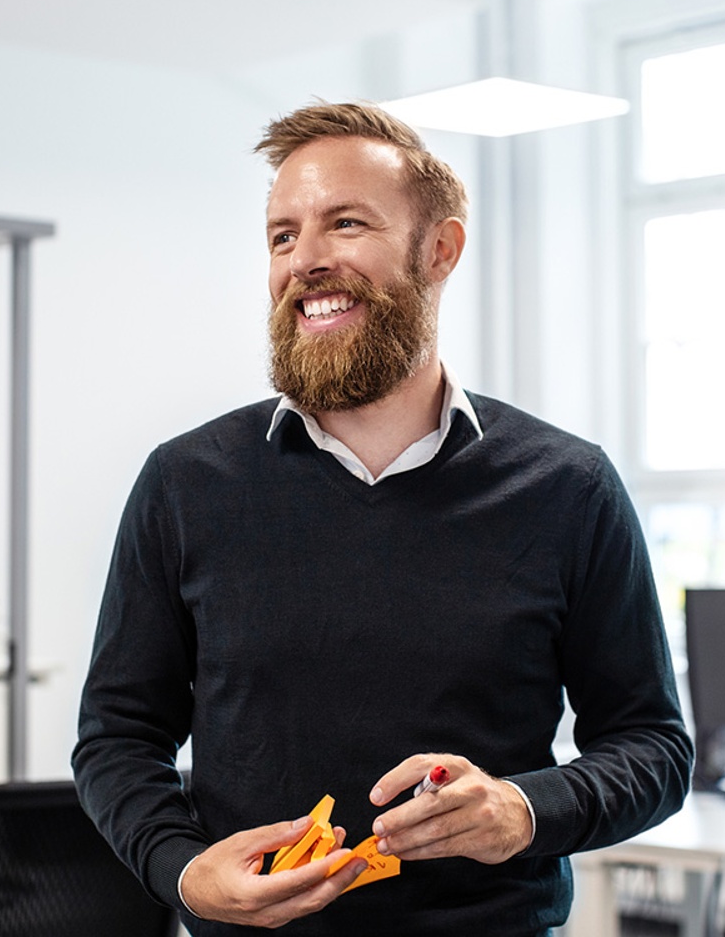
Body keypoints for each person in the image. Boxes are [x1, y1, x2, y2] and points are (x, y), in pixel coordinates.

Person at [73, 102, 692, 936]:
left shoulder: (567, 487)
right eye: (282, 236)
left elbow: (653, 746)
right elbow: (116, 737)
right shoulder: (185, 484)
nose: (307, 260)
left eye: (347, 223)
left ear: (440, 250)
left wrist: (523, 809)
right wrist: (181, 871)